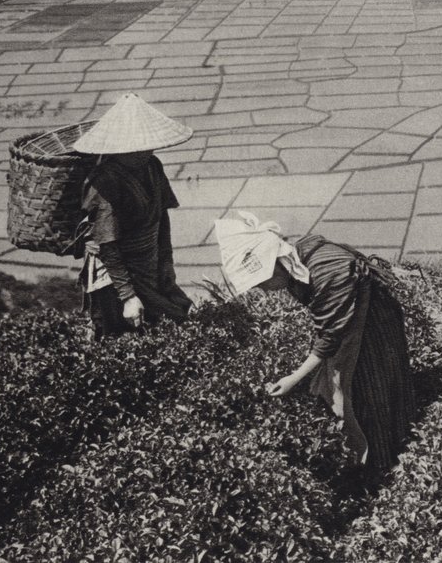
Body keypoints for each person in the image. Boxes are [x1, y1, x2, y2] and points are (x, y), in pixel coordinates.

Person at [215, 213, 415, 483]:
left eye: (261, 281)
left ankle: (383, 466)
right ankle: (376, 457)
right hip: (350, 321)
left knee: (372, 386)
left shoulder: (326, 271)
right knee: (356, 388)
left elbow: (330, 336)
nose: (263, 290)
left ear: (275, 262)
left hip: (373, 322)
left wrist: (294, 378)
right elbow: (327, 326)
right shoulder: (297, 266)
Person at [74, 93, 194, 337]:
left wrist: (166, 261)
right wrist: (128, 296)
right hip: (117, 273)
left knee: (174, 319)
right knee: (120, 334)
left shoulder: (152, 166)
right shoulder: (106, 180)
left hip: (149, 263)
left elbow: (161, 217)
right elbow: (107, 243)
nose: (146, 149)